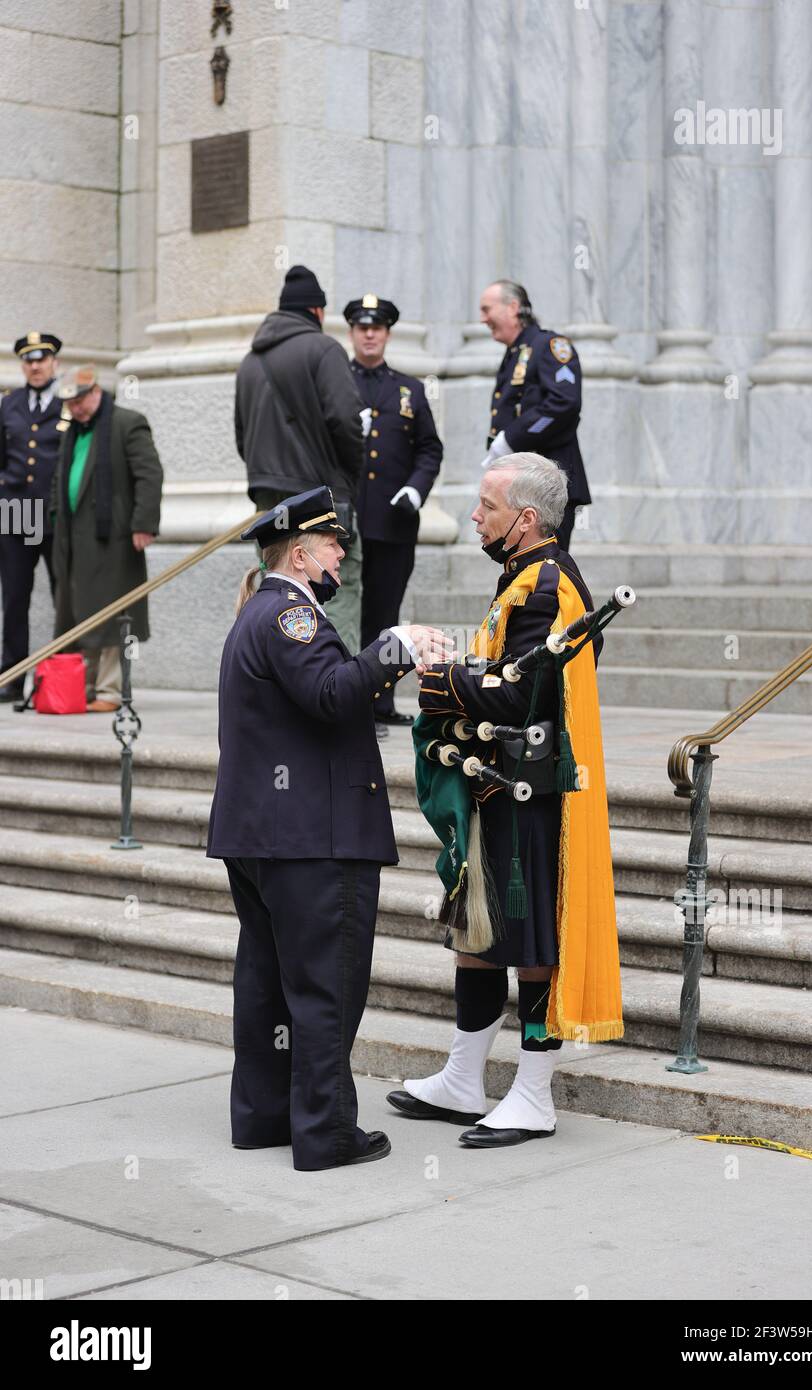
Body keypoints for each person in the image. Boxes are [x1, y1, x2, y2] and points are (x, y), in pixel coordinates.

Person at [206, 485, 453, 1172]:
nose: (343, 551)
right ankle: (326, 1132)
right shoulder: (289, 616)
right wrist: (393, 648)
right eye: (333, 542)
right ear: (301, 551)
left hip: (266, 836)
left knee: (267, 981)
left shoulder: (265, 611)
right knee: (323, 987)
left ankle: (265, 1117)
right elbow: (331, 693)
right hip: (312, 837)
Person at [386, 453, 622, 1148]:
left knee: (529, 943)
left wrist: (440, 680)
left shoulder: (546, 585)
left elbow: (519, 695)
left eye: (485, 506)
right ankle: (463, 1078)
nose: (473, 517)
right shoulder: (526, 575)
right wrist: (468, 678)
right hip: (498, 785)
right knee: (478, 933)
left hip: (529, 790)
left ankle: (534, 1095)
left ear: (525, 519)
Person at [235, 264, 365, 653]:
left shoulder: (249, 362)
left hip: (268, 501)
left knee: (276, 589)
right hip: (319, 497)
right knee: (336, 586)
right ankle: (337, 691)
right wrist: (351, 475)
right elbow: (345, 421)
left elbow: (243, 438)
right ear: (318, 311)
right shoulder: (324, 349)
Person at [345, 293, 443, 736]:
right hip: (345, 523)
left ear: (386, 333)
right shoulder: (337, 381)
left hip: (393, 520)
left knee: (385, 612)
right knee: (348, 609)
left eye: (377, 328)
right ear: (352, 332)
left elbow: (429, 448)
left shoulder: (410, 388)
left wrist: (415, 490)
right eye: (363, 327)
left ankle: (381, 700)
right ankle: (348, 696)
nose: (370, 334)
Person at [51, 365, 162, 712]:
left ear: (96, 391)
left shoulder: (127, 422)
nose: (77, 408)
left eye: (81, 400)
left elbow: (149, 474)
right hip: (76, 538)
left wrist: (143, 523)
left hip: (113, 539)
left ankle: (110, 691)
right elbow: (62, 478)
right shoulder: (73, 431)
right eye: (71, 403)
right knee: (81, 613)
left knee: (112, 612)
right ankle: (86, 685)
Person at [480, 279, 589, 552]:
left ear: (512, 307)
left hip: (550, 485)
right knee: (522, 569)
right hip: (523, 483)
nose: (483, 319)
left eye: (487, 309)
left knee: (547, 568)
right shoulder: (515, 353)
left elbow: (564, 402)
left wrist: (511, 439)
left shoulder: (549, 345)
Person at [0, 332, 64, 702]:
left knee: (64, 595)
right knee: (14, 597)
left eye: (42, 359)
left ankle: (62, 674)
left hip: (56, 515)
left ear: (54, 362)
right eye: (29, 361)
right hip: (17, 512)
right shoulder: (9, 404)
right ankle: (11, 675)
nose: (35, 366)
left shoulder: (69, 401)